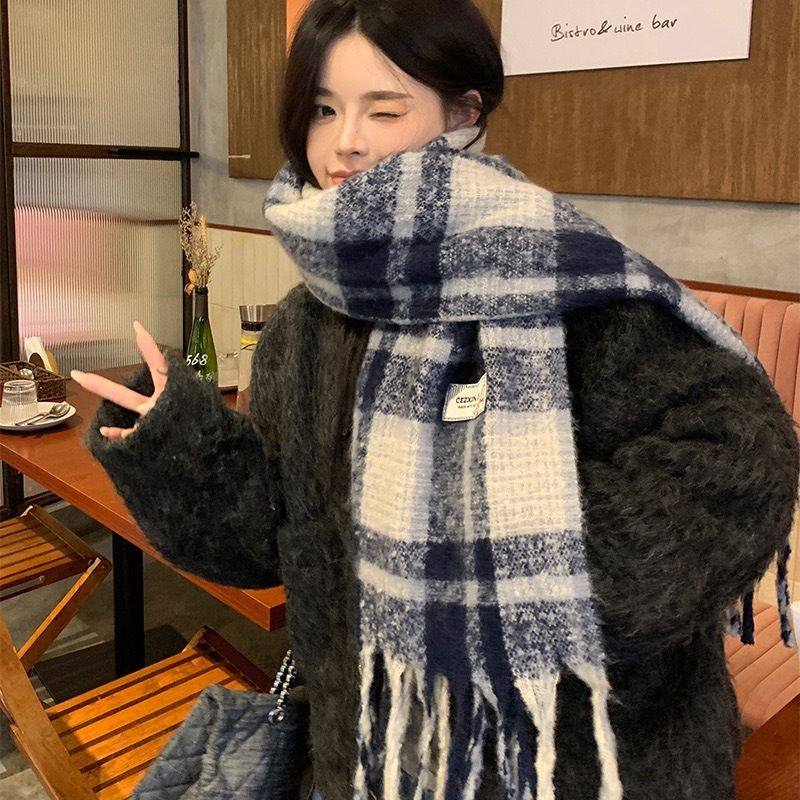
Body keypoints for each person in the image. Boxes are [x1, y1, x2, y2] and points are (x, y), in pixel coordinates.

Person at [72, 2, 799, 799]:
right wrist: (174, 439)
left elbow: (740, 456)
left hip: (582, 766)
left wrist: (529, 570)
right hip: (370, 757)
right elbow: (264, 545)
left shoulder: (560, 278)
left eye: (384, 110)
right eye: (322, 109)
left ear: (461, 113)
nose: (345, 142)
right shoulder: (307, 322)